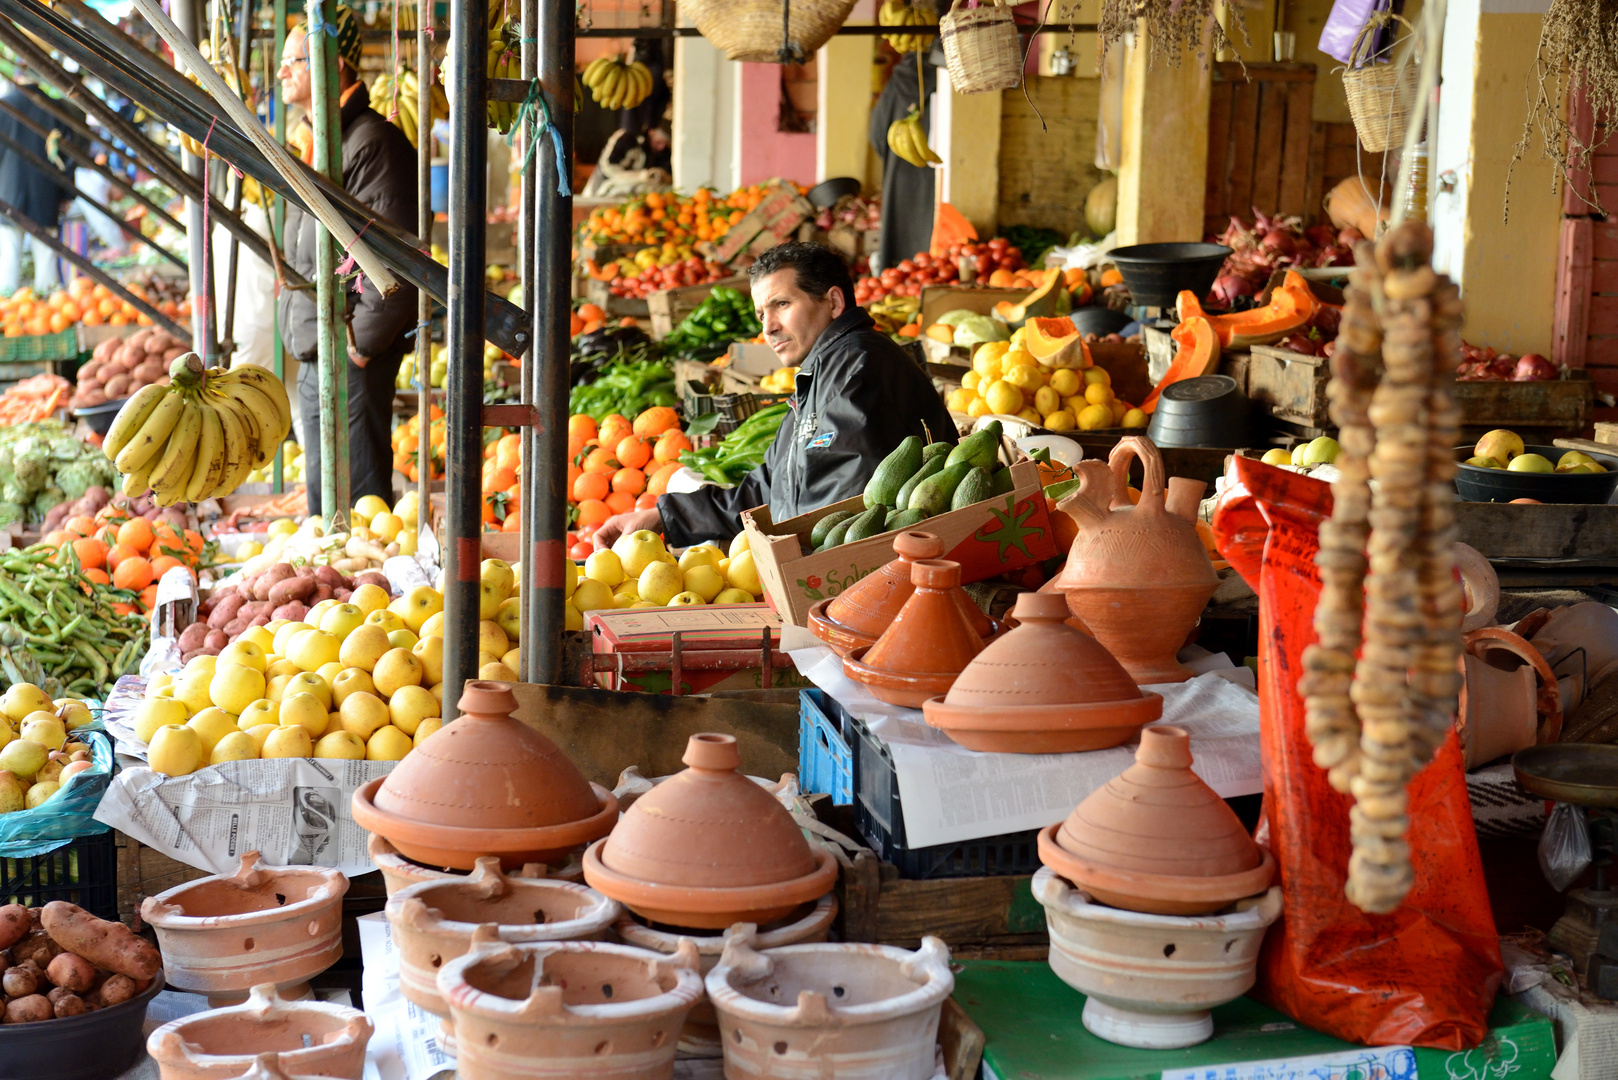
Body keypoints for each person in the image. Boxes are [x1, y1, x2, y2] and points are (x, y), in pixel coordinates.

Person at [594, 242, 955, 551]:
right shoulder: (820, 372)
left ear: (832, 301)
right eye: (760, 313)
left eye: (781, 304)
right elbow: (767, 489)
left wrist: (789, 567)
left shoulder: (859, 367)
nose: (768, 327)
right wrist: (663, 516)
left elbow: (847, 501)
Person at [275, 5, 417, 517]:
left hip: (351, 348)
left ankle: (363, 590)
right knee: (325, 494)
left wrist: (361, 346)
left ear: (331, 63)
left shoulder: (372, 142)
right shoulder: (325, 140)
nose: (281, 72)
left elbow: (396, 256)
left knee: (357, 496)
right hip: (325, 342)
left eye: (292, 60)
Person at [0, 67, 77, 296]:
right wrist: (67, 194)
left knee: (9, 251)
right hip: (46, 190)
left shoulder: (3, 105)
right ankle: (48, 303)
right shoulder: (55, 108)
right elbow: (67, 156)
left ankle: (6, 306)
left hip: (8, 189)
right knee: (46, 252)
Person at [868, 50, 937, 273]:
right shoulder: (948, 78)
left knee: (902, 245)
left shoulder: (897, 85)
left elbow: (877, 135)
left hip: (899, 176)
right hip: (937, 174)